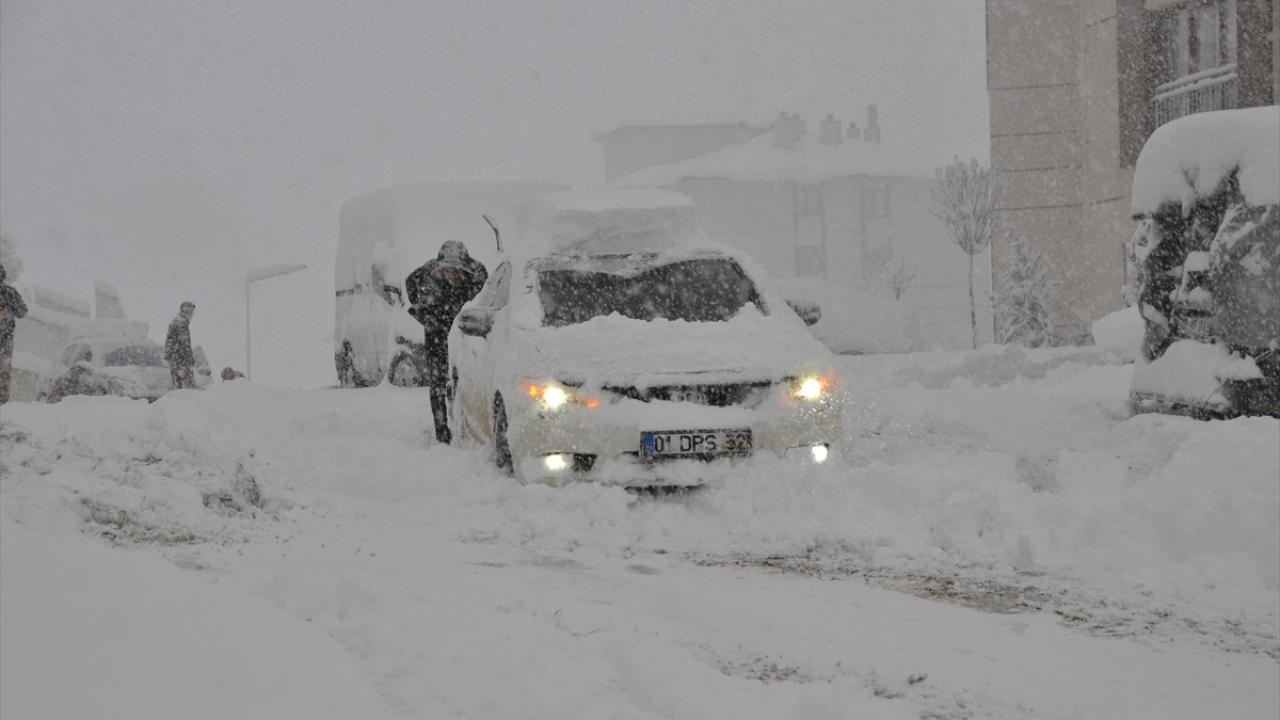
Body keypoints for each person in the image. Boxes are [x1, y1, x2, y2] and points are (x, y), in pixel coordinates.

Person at [405, 241, 487, 444]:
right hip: (437, 330)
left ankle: (465, 420)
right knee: (438, 380)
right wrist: (423, 312)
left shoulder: (475, 277)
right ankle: (441, 431)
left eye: (457, 271)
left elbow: (484, 290)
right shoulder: (425, 275)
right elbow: (410, 287)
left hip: (462, 332)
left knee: (465, 377)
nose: (452, 275)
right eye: (448, 271)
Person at [0, 263, 29, 405]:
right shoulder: (10, 292)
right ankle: (3, 403)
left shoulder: (9, 292)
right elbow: (23, 312)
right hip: (6, 339)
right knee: (4, 373)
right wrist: (9, 311)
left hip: (6, 338)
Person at [165, 301, 197, 390]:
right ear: (183, 311)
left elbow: (170, 343)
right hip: (180, 360)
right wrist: (189, 360)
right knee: (187, 388)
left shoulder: (176, 321)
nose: (191, 314)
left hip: (175, 360)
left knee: (178, 386)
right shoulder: (181, 323)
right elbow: (185, 343)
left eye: (192, 312)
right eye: (188, 311)